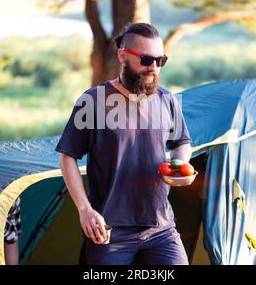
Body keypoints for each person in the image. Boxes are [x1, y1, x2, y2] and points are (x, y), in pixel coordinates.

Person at [56, 22, 193, 265]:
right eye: (146, 59)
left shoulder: (167, 100)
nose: (153, 67)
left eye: (160, 60)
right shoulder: (92, 101)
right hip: (108, 233)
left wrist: (180, 164)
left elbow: (182, 141)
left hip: (161, 228)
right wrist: (84, 210)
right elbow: (68, 157)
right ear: (122, 55)